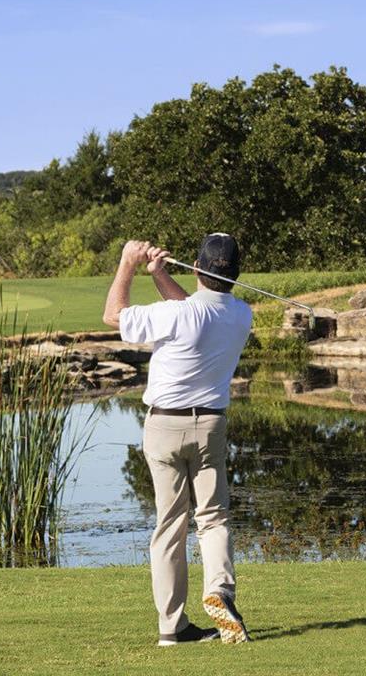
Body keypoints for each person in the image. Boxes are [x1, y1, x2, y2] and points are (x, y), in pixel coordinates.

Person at [103, 233, 253, 646]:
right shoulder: (242, 314)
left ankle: (172, 626)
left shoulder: (179, 315)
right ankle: (219, 590)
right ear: (236, 273)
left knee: (170, 525)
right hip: (211, 426)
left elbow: (114, 316)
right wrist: (160, 274)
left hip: (164, 428)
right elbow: (194, 306)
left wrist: (128, 263)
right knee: (213, 517)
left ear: (198, 268)